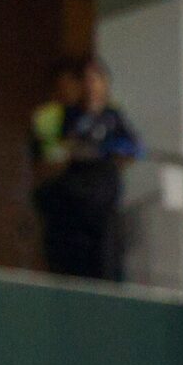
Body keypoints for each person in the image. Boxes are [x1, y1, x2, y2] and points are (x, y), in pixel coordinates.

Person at [27, 57, 139, 281]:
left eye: (96, 79)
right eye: (84, 80)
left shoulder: (112, 118)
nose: (89, 86)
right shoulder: (60, 116)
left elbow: (131, 150)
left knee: (104, 265)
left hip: (100, 206)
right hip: (67, 204)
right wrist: (71, 153)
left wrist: (105, 153)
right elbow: (45, 159)